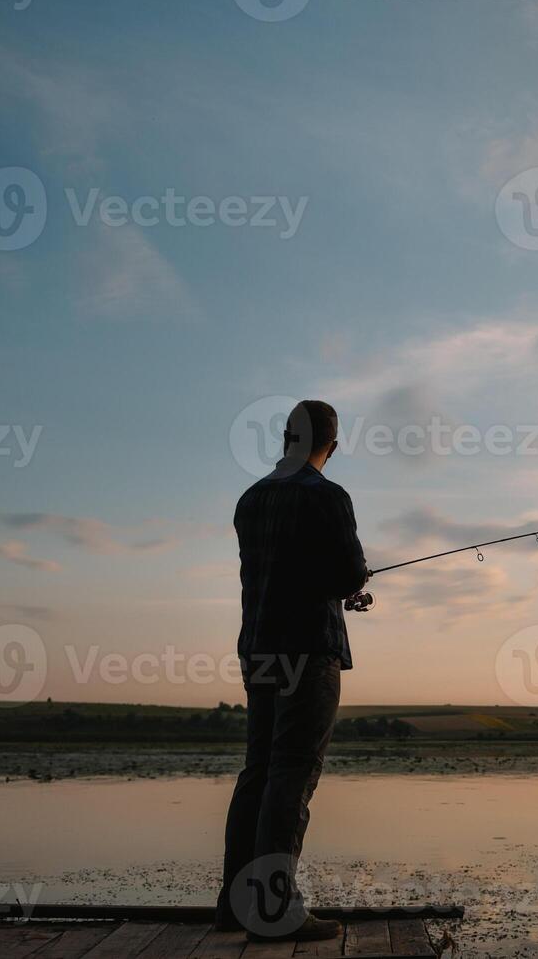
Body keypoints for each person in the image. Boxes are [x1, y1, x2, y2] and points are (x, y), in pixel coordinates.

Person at [216, 400, 369, 942]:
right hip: (309, 650)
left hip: (258, 650)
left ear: (286, 438)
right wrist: (356, 585)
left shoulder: (250, 500)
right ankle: (275, 910)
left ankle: (235, 907)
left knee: (258, 769)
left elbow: (285, 569)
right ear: (334, 443)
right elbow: (348, 573)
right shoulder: (328, 496)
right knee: (292, 773)